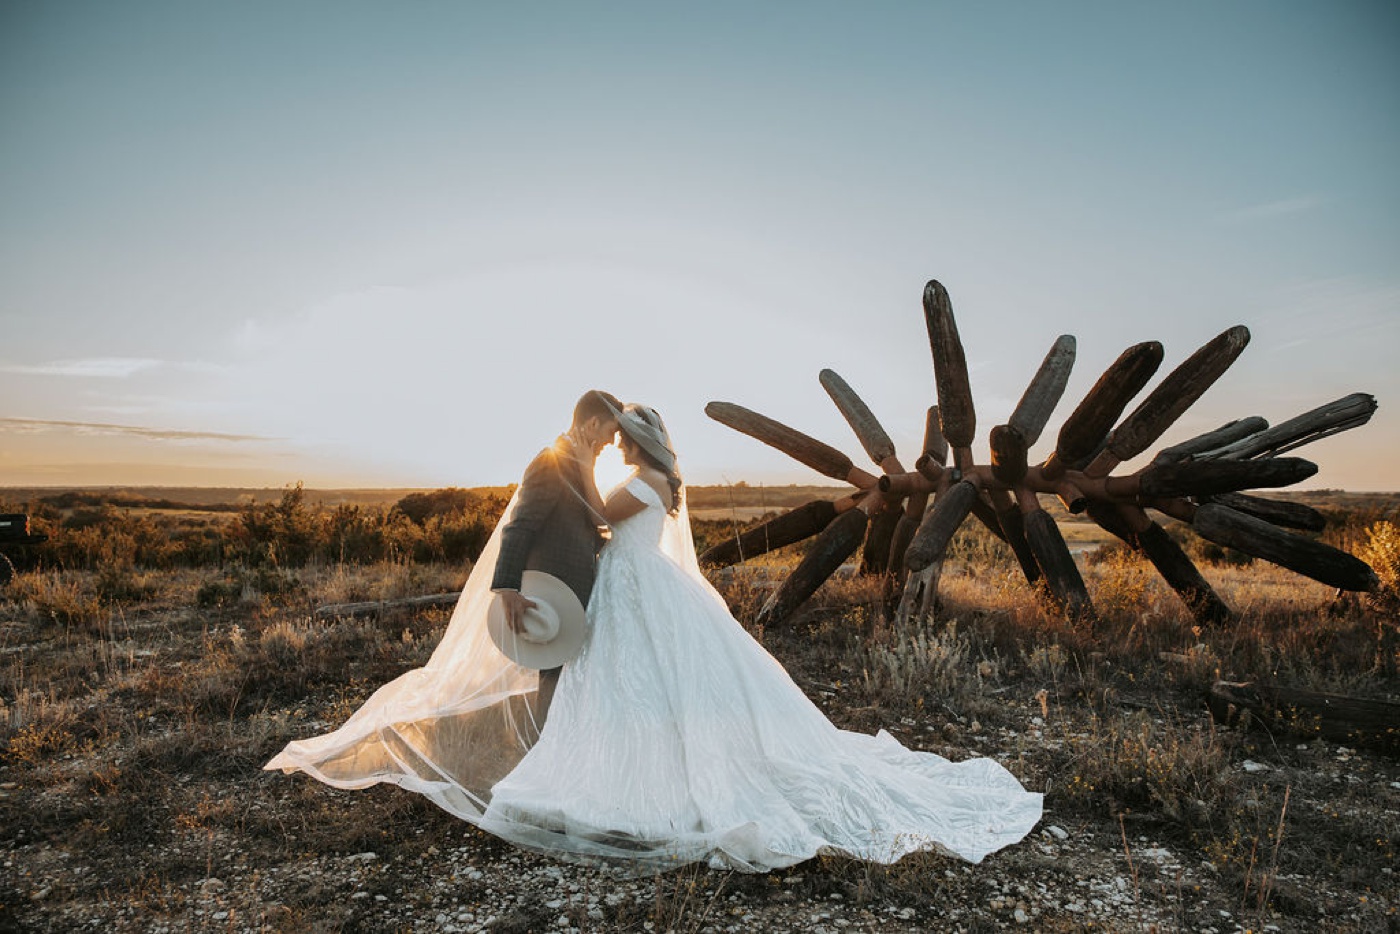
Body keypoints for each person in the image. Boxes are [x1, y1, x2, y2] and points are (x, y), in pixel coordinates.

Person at [266, 400, 1042, 874]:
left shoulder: (636, 484)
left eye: (622, 437)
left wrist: (570, 489)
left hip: (635, 592)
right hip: (640, 589)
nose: (616, 445)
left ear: (634, 445)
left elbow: (599, 517)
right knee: (657, 685)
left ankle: (617, 782)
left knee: (634, 682)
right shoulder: (663, 482)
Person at [490, 389, 622, 725]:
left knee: (570, 679)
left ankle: (559, 755)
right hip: (552, 593)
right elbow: (519, 526)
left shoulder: (579, 463)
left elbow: (587, 521)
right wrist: (507, 588)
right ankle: (543, 760)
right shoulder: (551, 462)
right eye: (611, 431)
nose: (612, 441)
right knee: (553, 675)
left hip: (576, 589)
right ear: (593, 423)